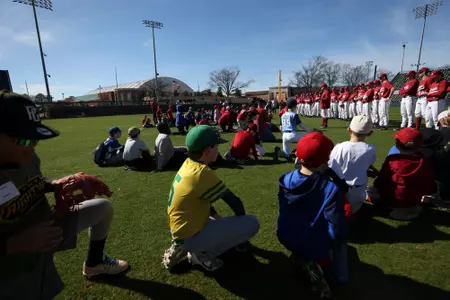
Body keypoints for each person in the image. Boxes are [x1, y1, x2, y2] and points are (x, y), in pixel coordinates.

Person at [0, 91, 128, 299]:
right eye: (24, 140)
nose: (32, 146)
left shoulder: (28, 158)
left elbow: (27, 183)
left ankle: (95, 263)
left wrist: (55, 185)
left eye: (36, 138)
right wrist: (16, 243)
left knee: (102, 208)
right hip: (10, 261)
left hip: (46, 230)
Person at [162, 125, 259, 272]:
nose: (218, 150)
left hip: (181, 227)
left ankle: (184, 245)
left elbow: (202, 201)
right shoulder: (202, 172)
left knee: (218, 221)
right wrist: (240, 235)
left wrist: (217, 218)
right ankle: (201, 255)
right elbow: (235, 203)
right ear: (207, 150)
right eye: (216, 146)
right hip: (190, 233)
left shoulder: (188, 163)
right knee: (251, 222)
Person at [277, 132, 348, 299]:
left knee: (302, 233)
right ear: (325, 161)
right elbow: (336, 226)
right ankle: (324, 269)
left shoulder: (286, 179)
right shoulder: (329, 188)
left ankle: (300, 256)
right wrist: (337, 240)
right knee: (340, 244)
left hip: (285, 234)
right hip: (315, 243)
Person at [369, 128, 436, 220]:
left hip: (393, 198)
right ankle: (409, 208)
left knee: (371, 192)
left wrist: (376, 186)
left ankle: (399, 210)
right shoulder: (424, 160)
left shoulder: (392, 160)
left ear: (397, 145)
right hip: (415, 198)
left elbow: (381, 181)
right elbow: (429, 182)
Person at [329, 115, 378, 214]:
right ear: (370, 133)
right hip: (359, 193)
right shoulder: (371, 149)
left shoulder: (340, 147)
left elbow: (332, 166)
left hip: (339, 189)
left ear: (349, 130)